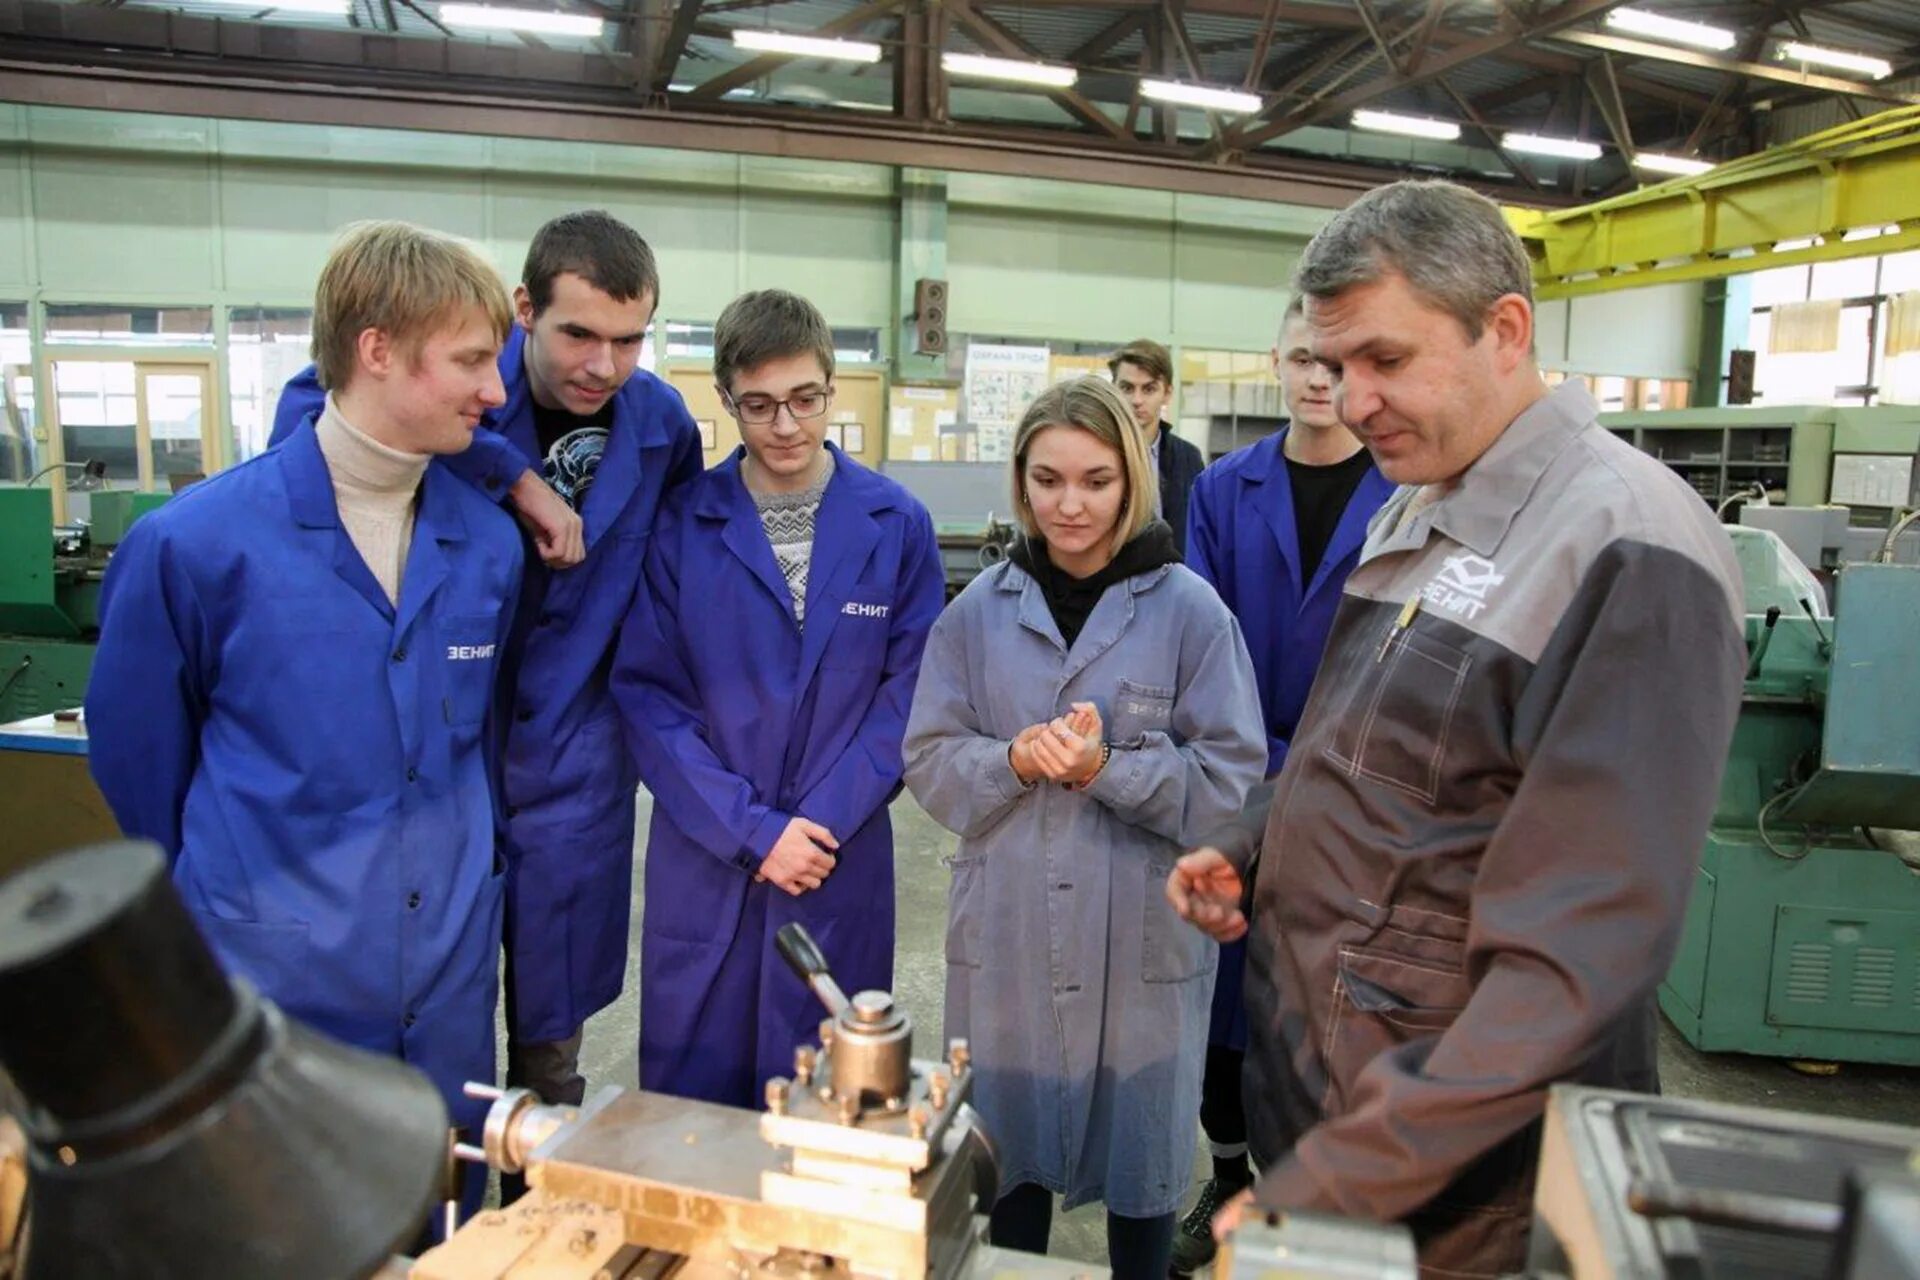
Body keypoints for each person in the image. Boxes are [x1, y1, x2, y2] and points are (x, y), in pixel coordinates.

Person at [1166, 179, 1746, 1277]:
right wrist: (1253, 838)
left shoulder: (1626, 549)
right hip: (1343, 1106)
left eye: (1386, 360)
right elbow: (1357, 743)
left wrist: (1349, 1176)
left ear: (1506, 330)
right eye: (1336, 368)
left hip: (1462, 1188)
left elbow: (1581, 955)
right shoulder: (1423, 495)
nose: (1352, 398)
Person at [87, 221, 523, 1214]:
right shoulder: (196, 549)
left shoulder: (487, 546)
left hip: (447, 996)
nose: (495, 393)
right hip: (278, 987)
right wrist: (246, 898)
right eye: (468, 361)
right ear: (377, 349)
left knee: (442, 1228)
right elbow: (139, 772)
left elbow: (472, 753)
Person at [274, 211, 701, 1109]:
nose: (602, 366)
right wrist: (511, 471)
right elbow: (313, 412)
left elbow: (682, 573)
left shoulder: (661, 423)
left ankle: (539, 1202)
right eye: (577, 333)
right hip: (439, 735)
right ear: (522, 311)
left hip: (575, 752)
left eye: (629, 341)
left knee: (552, 1036)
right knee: (428, 1006)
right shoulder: (455, 373)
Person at [902, 375, 1265, 1280]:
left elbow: (1231, 784)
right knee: (1007, 1159)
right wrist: (1016, 762)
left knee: (1143, 1158)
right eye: (1049, 479)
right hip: (1011, 927)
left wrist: (1109, 771)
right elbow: (930, 762)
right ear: (1020, 480)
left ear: (1132, 480)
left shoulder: (1191, 612)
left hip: (1140, 934)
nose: (1071, 504)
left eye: (1096, 480)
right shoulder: (976, 613)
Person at [613, 289, 945, 1107]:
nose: (786, 426)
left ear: (831, 387)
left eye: (805, 400)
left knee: (827, 1102)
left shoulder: (896, 524)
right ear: (724, 402)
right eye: (758, 406)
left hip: (837, 854)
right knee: (696, 1108)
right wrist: (755, 833)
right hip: (712, 854)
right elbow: (653, 701)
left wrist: (815, 826)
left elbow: (909, 694)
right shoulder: (682, 525)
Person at [1168, 295, 1396, 1274]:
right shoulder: (1222, 490)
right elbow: (1201, 643)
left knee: (1327, 1013)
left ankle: (1315, 1199)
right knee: (1225, 1015)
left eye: (1337, 360)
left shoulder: (1411, 490)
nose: (1318, 377)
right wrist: (1253, 772)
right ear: (1276, 359)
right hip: (1234, 789)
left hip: (1361, 799)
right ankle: (1226, 1172)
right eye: (1303, 356)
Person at [1109, 338, 1204, 556]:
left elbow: (1200, 531)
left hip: (1172, 579)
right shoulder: (1093, 453)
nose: (1137, 400)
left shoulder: (1188, 458)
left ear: (1167, 394)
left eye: (1149, 389)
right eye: (1127, 388)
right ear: (1113, 389)